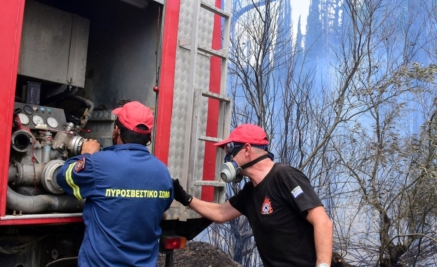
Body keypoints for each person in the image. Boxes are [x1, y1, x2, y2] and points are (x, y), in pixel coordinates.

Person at [173, 124, 333, 267]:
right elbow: (220, 213)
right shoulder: (250, 192)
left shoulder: (284, 176)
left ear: (247, 149)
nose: (228, 158)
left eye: (231, 151)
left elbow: (322, 222)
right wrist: (185, 198)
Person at [57, 101, 174, 267]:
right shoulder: (163, 172)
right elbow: (161, 208)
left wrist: (86, 155)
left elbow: (64, 178)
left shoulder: (98, 164)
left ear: (117, 130)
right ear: (149, 137)